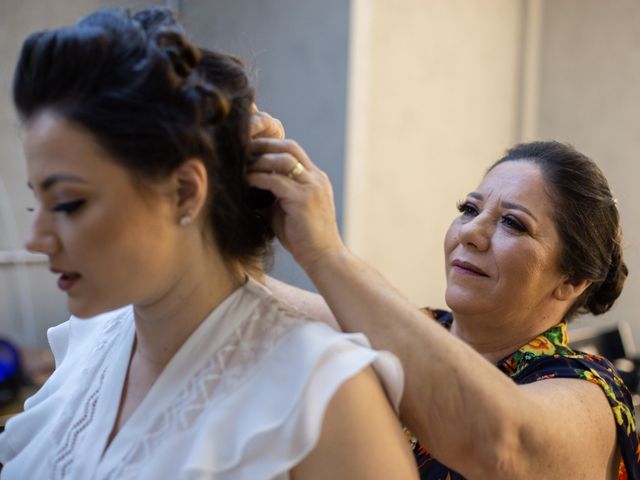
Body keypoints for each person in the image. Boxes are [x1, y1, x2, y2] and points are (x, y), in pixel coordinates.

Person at [0, 8, 419, 479]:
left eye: (71, 203)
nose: (35, 240)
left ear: (184, 191)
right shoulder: (88, 343)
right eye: (40, 204)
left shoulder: (324, 392)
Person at [248, 136, 640, 479]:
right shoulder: (419, 329)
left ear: (571, 280)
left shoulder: (592, 393)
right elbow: (250, 298)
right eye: (469, 209)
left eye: (513, 224)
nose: (471, 233)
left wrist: (326, 253)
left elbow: (499, 444)